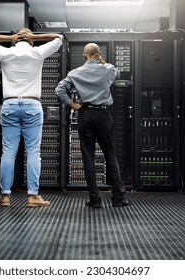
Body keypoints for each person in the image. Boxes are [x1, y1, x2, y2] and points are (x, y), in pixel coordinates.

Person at [0, 28, 63, 207]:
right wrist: (36, 36)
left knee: (8, 152)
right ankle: (33, 196)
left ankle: (5, 196)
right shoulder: (37, 52)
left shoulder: (5, 53)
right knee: (33, 152)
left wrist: (10, 37)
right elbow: (59, 38)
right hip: (32, 106)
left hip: (9, 105)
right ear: (32, 41)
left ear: (15, 41)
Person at [55, 43, 130, 208]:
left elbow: (59, 90)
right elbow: (117, 72)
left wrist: (73, 105)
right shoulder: (107, 69)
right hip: (103, 115)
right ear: (98, 54)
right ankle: (119, 198)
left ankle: (95, 200)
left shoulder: (75, 73)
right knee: (110, 156)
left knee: (88, 158)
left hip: (85, 115)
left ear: (84, 55)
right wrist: (102, 61)